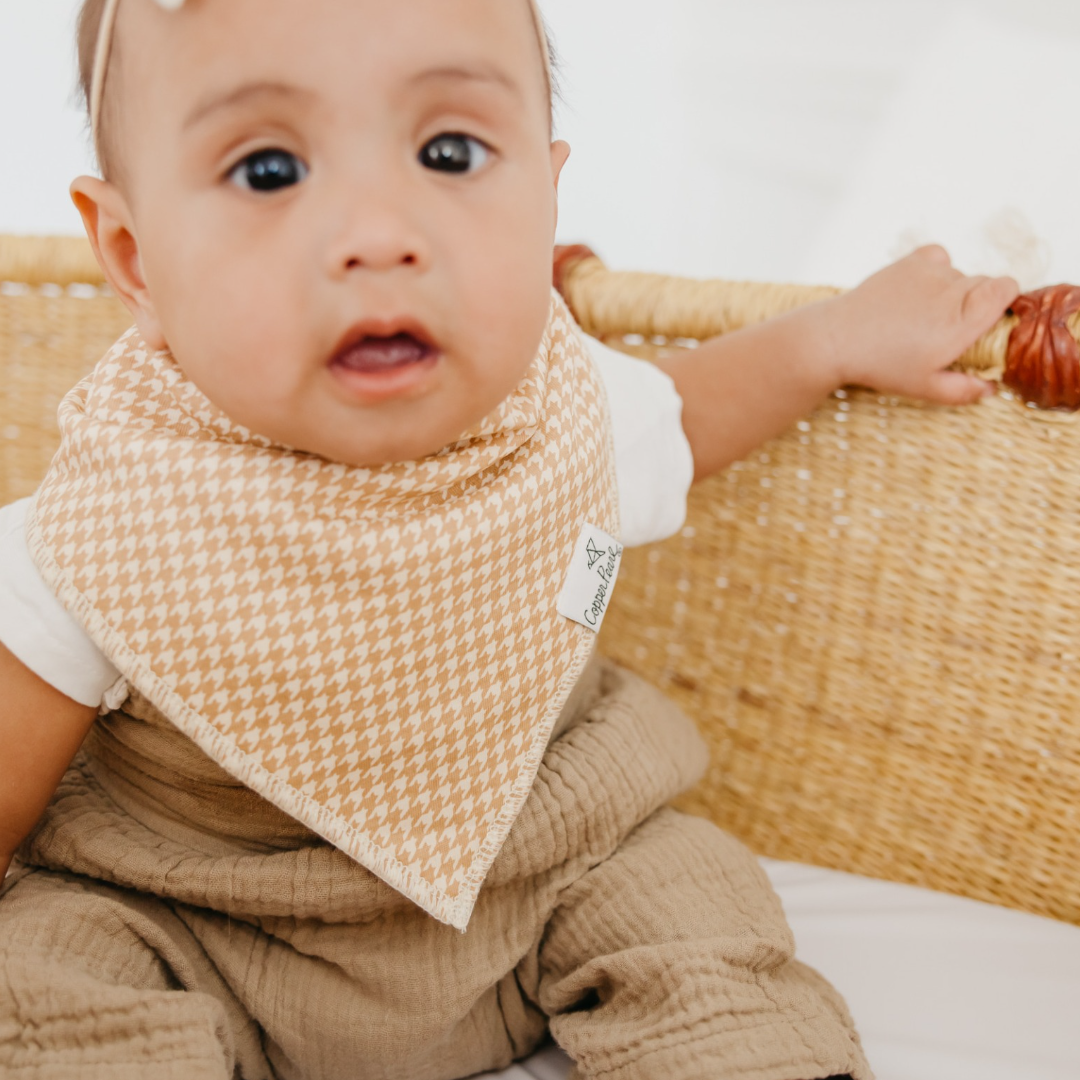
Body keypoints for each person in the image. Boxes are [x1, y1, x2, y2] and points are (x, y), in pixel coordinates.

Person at [0, 0, 1019, 1077]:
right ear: (135, 255)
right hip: (197, 924)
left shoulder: (566, 413)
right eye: (267, 171)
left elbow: (686, 412)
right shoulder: (97, 533)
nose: (379, 235)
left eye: (450, 151)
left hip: (547, 875)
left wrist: (827, 341)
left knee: (691, 901)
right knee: (49, 974)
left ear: (546, 195)